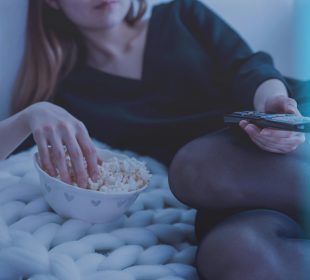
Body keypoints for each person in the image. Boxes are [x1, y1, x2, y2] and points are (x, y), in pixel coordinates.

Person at [10, 0, 309, 278]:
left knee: (195, 166)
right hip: (219, 194)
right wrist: (31, 115)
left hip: (277, 141)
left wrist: (274, 106)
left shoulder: (182, 15)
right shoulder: (71, 93)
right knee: (233, 253)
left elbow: (249, 67)